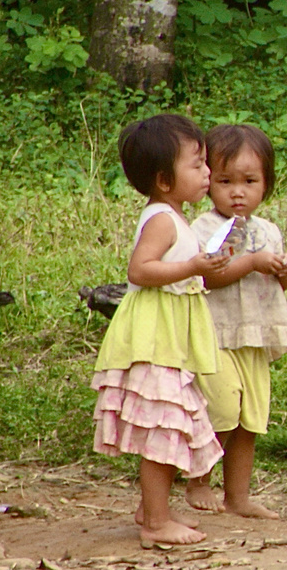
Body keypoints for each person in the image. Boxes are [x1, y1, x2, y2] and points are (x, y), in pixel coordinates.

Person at [91, 114, 231, 547]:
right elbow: (140, 269)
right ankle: (155, 522)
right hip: (154, 339)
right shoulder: (163, 220)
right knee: (164, 425)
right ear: (164, 180)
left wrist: (201, 268)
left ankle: (153, 508)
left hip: (169, 337)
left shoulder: (174, 215)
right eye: (197, 164)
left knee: (173, 421)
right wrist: (192, 266)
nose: (208, 172)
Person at [186, 125, 287, 518]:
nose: (237, 192)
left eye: (249, 181)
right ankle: (198, 479)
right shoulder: (202, 229)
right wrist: (251, 262)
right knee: (221, 407)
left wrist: (283, 269)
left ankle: (238, 496)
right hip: (216, 331)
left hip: (256, 332)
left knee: (250, 419)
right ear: (207, 181)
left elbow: (280, 285)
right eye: (226, 180)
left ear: (266, 184)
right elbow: (207, 277)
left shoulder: (268, 230)